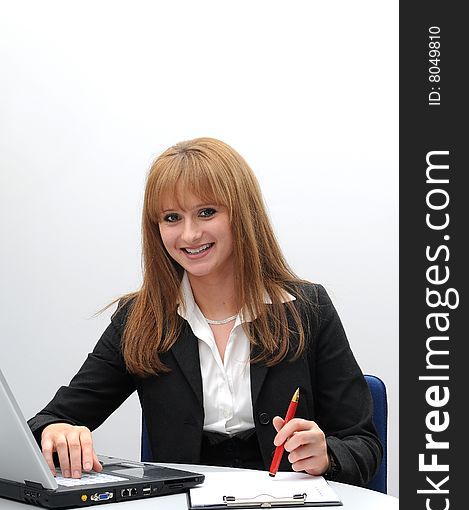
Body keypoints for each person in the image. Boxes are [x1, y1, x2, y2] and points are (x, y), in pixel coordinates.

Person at [28, 137, 382, 486]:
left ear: (242, 214)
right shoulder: (138, 320)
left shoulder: (307, 309)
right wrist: (55, 430)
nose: (190, 234)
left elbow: (362, 445)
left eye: (206, 212)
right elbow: (48, 421)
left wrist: (328, 455)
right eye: (171, 217)